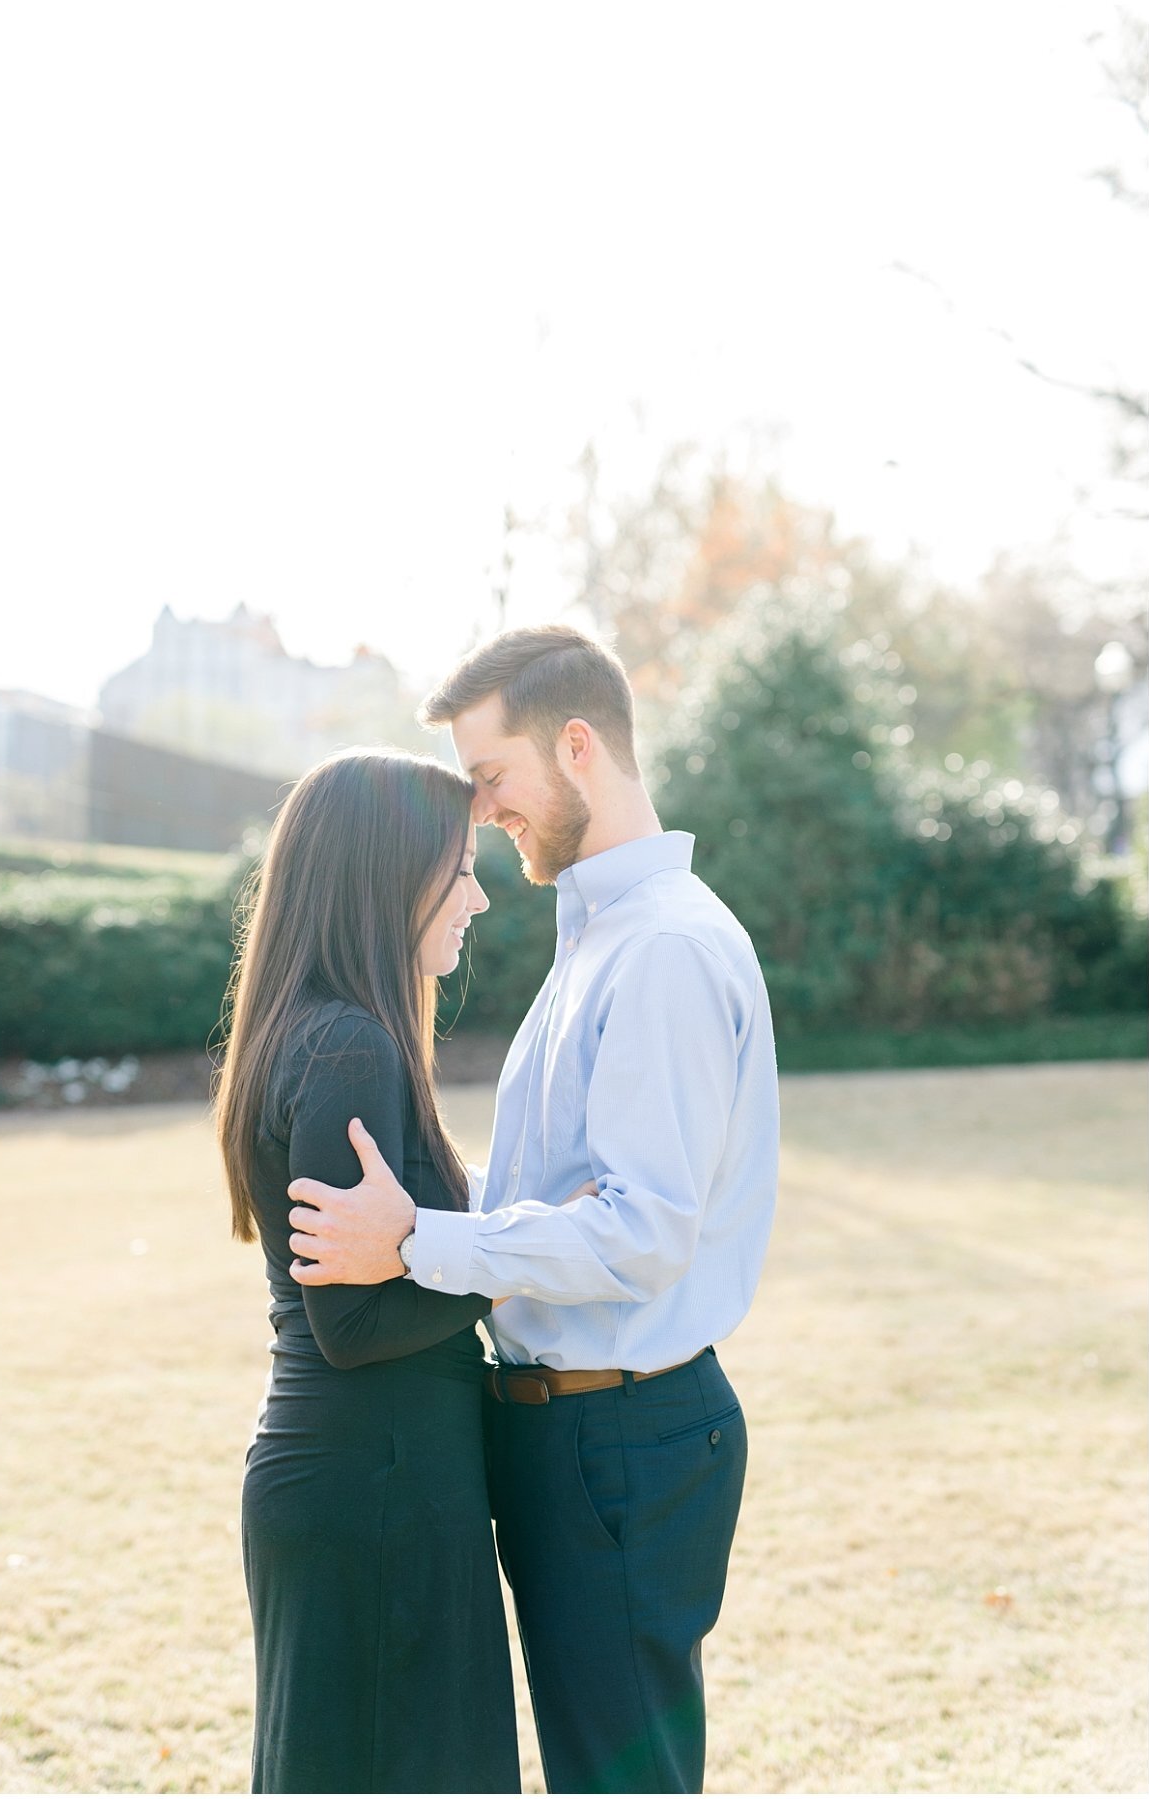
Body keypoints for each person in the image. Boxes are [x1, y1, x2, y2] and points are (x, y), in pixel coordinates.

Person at [286, 626, 780, 1795]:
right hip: (568, 1431)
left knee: (625, 1780)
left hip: (624, 1436)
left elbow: (641, 1229)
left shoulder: (661, 948)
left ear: (576, 746)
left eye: (492, 775)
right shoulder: (598, 939)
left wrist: (414, 1239)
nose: (482, 807)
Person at [213, 748, 522, 1796]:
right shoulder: (349, 1046)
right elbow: (351, 1323)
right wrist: (519, 1264)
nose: (479, 894)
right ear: (388, 874)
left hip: (358, 1475)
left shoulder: (318, 1031)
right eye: (460, 866)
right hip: (372, 1484)